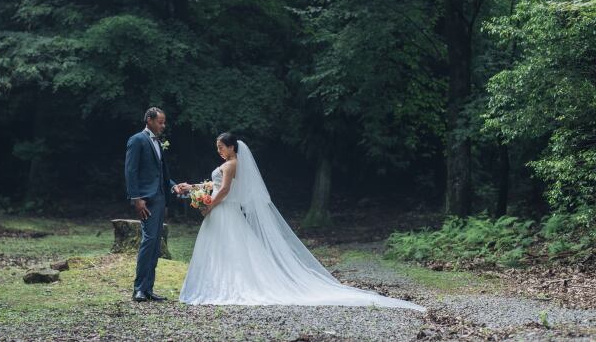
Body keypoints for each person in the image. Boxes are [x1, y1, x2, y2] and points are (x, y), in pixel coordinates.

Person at [178, 132, 426, 311]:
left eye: (221, 147)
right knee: (223, 250)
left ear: (232, 147)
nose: (219, 151)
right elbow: (214, 185)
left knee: (232, 249)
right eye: (218, 148)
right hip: (221, 211)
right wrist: (193, 188)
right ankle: (218, 282)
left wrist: (209, 205)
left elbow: (224, 191)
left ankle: (230, 285)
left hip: (223, 210)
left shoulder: (232, 164)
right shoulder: (227, 164)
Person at [124, 107, 187, 302]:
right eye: (160, 122)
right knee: (149, 241)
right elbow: (131, 171)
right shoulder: (137, 140)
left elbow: (160, 174)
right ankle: (139, 289)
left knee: (155, 244)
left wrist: (174, 186)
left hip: (160, 198)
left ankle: (148, 288)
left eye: (163, 122)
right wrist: (136, 199)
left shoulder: (157, 142)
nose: (163, 125)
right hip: (146, 200)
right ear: (149, 120)